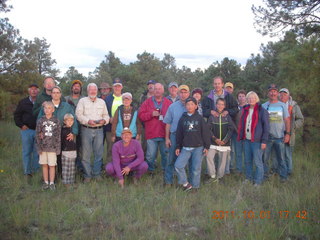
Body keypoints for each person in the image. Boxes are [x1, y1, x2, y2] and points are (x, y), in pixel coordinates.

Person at [37, 86, 78, 176]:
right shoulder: (46, 106)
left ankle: (62, 175)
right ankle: (50, 177)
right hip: (49, 135)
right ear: (51, 94)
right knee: (50, 156)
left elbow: (73, 118)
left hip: (64, 134)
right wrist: (40, 131)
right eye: (54, 92)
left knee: (61, 155)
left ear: (60, 94)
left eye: (57, 92)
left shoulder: (66, 106)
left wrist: (73, 132)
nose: (55, 94)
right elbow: (39, 119)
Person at [174, 97, 210, 191]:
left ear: (196, 106)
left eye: (192, 104)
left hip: (198, 147)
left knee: (195, 169)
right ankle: (186, 184)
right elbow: (179, 133)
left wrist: (207, 146)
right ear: (185, 106)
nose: (190, 106)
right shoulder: (183, 118)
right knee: (178, 165)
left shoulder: (200, 118)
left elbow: (205, 133)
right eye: (188, 104)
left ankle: (195, 187)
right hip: (186, 148)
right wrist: (178, 146)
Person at [76, 83, 110, 182]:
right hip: (86, 129)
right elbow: (78, 114)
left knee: (98, 153)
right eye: (91, 90)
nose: (93, 91)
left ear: (97, 91)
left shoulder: (101, 102)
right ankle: (87, 175)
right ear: (87, 91)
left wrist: (104, 121)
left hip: (99, 130)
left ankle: (97, 174)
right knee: (86, 154)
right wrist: (87, 121)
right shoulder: (82, 101)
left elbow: (106, 115)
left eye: (94, 90)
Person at [138, 83, 171, 175]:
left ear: (163, 90)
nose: (157, 91)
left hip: (164, 133)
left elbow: (172, 117)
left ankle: (165, 170)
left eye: (159, 89)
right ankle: (150, 171)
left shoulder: (168, 103)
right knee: (150, 155)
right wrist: (150, 114)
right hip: (151, 133)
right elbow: (141, 115)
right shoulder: (147, 102)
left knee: (165, 155)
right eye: (155, 89)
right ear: (153, 90)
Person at [238, 91, 270, 186]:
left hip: (257, 141)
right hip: (247, 140)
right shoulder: (245, 109)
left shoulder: (262, 111)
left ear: (256, 99)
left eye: (253, 98)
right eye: (249, 98)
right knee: (247, 161)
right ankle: (249, 178)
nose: (251, 99)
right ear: (247, 100)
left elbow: (266, 127)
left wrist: (264, 141)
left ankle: (258, 181)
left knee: (258, 162)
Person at [262, 84, 290, 182]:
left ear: (277, 93)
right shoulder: (264, 106)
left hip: (280, 137)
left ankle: (283, 177)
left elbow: (287, 120)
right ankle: (265, 177)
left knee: (281, 159)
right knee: (265, 159)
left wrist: (287, 134)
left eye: (274, 91)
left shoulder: (282, 105)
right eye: (271, 91)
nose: (273, 93)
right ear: (268, 93)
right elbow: (261, 123)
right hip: (267, 138)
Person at [163, 85, 190, 186]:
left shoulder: (192, 106)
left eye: (185, 92)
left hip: (188, 137)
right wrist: (167, 138)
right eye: (181, 92)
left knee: (186, 160)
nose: (183, 95)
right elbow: (168, 123)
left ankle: (183, 182)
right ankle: (168, 181)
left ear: (188, 93)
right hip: (174, 136)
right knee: (171, 159)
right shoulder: (173, 106)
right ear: (178, 94)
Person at [14, 84, 40, 178]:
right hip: (27, 131)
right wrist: (21, 125)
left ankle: (36, 171)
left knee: (37, 152)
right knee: (26, 152)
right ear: (29, 91)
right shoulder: (23, 102)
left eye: (35, 89)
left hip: (38, 131)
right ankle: (27, 172)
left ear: (38, 91)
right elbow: (16, 116)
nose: (33, 91)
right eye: (32, 89)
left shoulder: (40, 102)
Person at [205, 98, 234, 183]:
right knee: (209, 157)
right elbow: (208, 129)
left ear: (224, 106)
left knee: (222, 161)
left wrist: (225, 140)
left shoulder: (227, 116)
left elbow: (231, 129)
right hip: (213, 142)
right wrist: (214, 138)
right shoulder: (212, 116)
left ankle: (220, 177)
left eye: (222, 104)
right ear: (216, 105)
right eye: (218, 104)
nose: (220, 106)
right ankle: (212, 176)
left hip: (224, 143)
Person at [278, 88, 304, 175]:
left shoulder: (294, 106)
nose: (282, 96)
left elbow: (301, 119)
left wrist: (292, 127)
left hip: (290, 134)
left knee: (288, 154)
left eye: (285, 94)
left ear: (288, 96)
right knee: (278, 154)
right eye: (281, 94)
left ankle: (289, 172)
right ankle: (280, 172)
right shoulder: (276, 105)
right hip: (278, 134)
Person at [36, 101, 61, 190]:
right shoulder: (40, 120)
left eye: (49, 108)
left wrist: (58, 148)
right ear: (43, 109)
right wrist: (39, 147)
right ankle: (45, 182)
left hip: (52, 147)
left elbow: (58, 135)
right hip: (43, 147)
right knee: (44, 165)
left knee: (52, 165)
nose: (47, 110)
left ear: (53, 110)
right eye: (45, 108)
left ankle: (51, 182)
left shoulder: (56, 121)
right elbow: (38, 134)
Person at [105, 78, 123, 163]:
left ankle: (121, 167)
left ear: (121, 87)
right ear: (112, 87)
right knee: (110, 148)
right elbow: (104, 111)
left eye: (119, 86)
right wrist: (109, 118)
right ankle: (110, 168)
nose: (117, 88)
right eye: (115, 86)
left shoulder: (125, 98)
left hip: (123, 128)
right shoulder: (108, 99)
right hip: (110, 127)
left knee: (122, 148)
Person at [232, 90, 247, 174]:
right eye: (240, 96)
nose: (241, 98)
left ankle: (247, 169)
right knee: (238, 152)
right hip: (236, 133)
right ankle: (239, 169)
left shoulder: (249, 107)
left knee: (246, 152)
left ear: (246, 97)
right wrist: (236, 130)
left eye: (243, 96)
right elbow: (232, 121)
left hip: (246, 134)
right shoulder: (235, 108)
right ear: (237, 98)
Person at [61, 114, 77, 187]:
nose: (70, 122)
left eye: (71, 120)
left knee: (72, 168)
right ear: (64, 121)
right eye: (68, 120)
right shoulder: (63, 130)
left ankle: (71, 181)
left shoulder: (71, 130)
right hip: (66, 151)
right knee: (66, 168)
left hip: (72, 151)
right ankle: (65, 182)